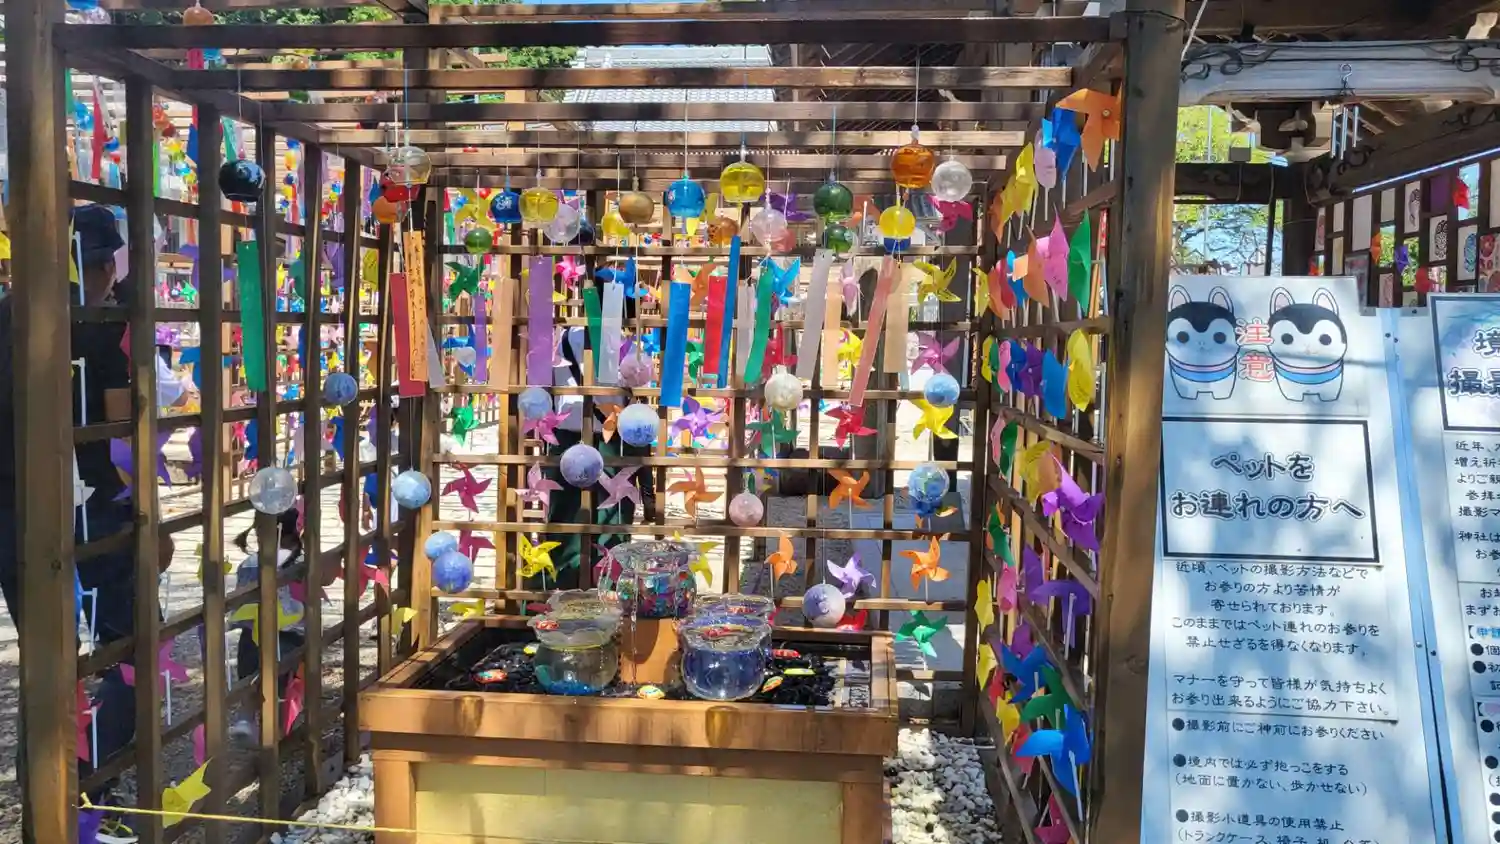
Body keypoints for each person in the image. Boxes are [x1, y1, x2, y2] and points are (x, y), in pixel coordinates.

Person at [0, 204, 151, 841]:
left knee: (46, 655)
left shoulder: (9, 314)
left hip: (13, 516)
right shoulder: (100, 326)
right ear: (105, 265)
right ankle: (92, 790)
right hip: (94, 513)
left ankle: (44, 791)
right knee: (118, 649)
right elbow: (123, 429)